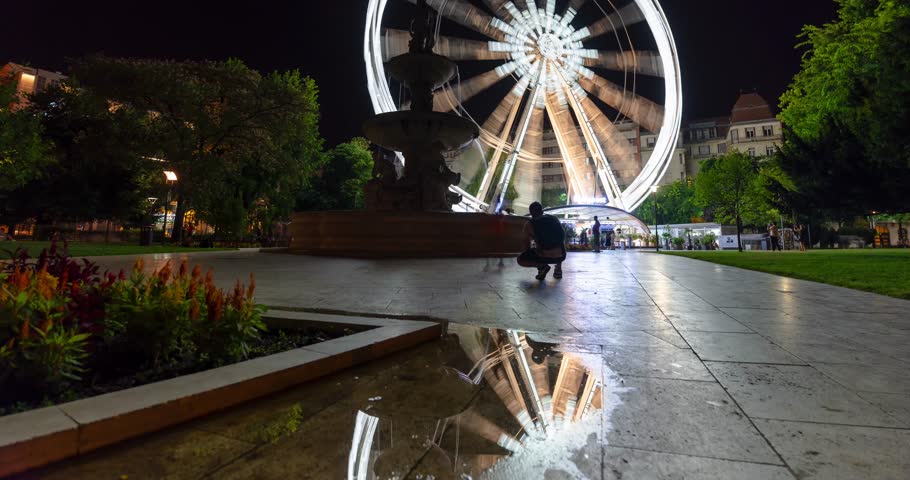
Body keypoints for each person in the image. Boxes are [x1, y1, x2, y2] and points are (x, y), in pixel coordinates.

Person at [518, 202, 567, 280]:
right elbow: (562, 236)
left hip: (543, 256)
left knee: (521, 259)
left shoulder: (530, 223)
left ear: (530, 212)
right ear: (542, 211)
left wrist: (533, 250)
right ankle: (558, 269)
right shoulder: (554, 219)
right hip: (561, 256)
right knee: (558, 242)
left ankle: (542, 267)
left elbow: (530, 242)